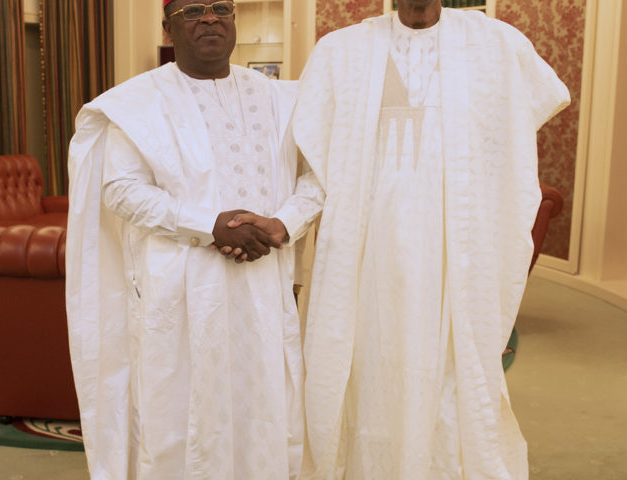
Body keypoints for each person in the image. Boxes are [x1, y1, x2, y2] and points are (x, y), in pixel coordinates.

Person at [230, 0, 570, 478]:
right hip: (363, 256)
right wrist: (286, 221)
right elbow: (319, 175)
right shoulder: (339, 52)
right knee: (364, 373)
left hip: (456, 256)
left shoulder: (496, 46)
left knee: (450, 375)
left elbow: (511, 150)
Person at [64, 0, 305, 478]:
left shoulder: (283, 99)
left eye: (221, 7)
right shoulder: (136, 103)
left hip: (262, 288)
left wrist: (283, 223)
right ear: (168, 27)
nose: (210, 18)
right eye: (193, 9)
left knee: (264, 404)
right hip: (179, 291)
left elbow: (316, 177)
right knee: (182, 413)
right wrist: (208, 225)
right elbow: (121, 190)